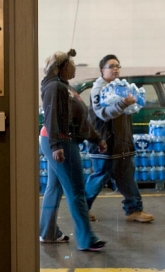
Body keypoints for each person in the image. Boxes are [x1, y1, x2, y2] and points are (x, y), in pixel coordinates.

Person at [39, 49, 108, 251]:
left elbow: (81, 121)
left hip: (59, 141)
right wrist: (55, 146)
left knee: (54, 188)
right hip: (60, 142)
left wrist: (96, 139)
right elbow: (50, 117)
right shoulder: (54, 87)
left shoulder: (66, 88)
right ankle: (87, 239)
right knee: (76, 190)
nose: (75, 67)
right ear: (61, 67)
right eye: (72, 64)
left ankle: (48, 232)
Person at [85, 54, 154, 223]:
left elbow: (127, 111)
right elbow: (102, 114)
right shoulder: (98, 90)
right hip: (105, 143)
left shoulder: (121, 88)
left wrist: (134, 103)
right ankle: (81, 209)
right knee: (100, 176)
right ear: (102, 70)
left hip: (123, 142)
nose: (115, 69)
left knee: (127, 176)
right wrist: (123, 104)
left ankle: (134, 210)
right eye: (111, 66)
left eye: (117, 66)